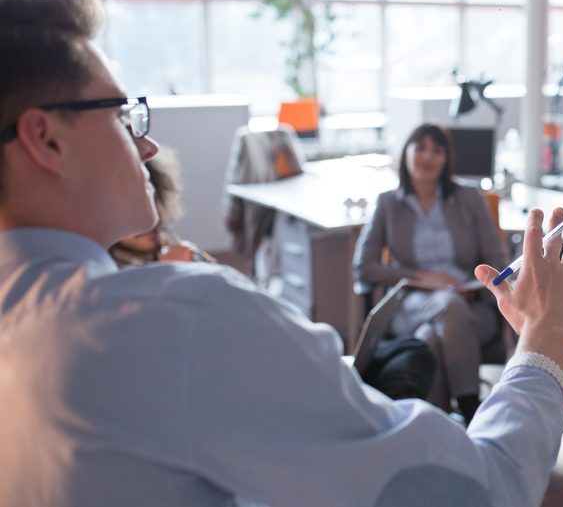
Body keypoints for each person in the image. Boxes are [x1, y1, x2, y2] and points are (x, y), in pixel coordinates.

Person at [0, 0, 563, 506]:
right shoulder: (176, 317)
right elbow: (480, 495)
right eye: (122, 117)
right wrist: (544, 340)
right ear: (45, 139)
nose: (147, 146)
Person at [110, 150, 438, 401]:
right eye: (136, 221)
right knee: (396, 380)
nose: (151, 225)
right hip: (272, 376)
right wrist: (184, 278)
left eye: (152, 209)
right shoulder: (133, 281)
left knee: (410, 350)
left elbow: (250, 300)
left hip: (296, 354)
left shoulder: (172, 251)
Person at [353, 122, 507, 423]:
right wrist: (422, 278)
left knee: (431, 339)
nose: (427, 156)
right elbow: (364, 266)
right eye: (420, 147)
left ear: (447, 159)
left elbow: (497, 259)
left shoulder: (470, 199)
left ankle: (431, 425)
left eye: (437, 150)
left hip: (472, 307)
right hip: (412, 303)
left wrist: (471, 285)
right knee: (447, 306)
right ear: (406, 152)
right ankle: (470, 408)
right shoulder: (388, 203)